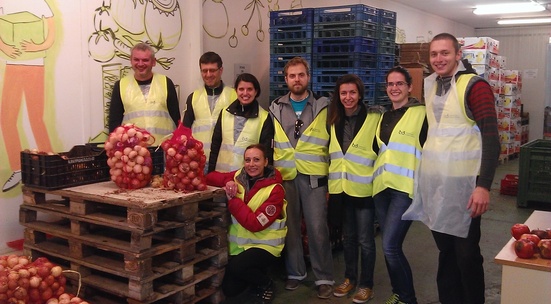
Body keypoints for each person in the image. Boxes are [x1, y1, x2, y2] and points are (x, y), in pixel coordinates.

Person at [402, 33, 500, 304]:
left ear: (458, 54)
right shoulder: (431, 85)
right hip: (437, 184)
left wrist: (483, 186)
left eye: (445, 53)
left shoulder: (474, 86)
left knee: (466, 253)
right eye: (434, 54)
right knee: (445, 251)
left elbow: (491, 138)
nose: (439, 59)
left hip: (465, 186)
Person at [269, 56, 334, 299]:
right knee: (291, 227)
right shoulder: (276, 107)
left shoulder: (323, 106)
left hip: (314, 176)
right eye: (292, 75)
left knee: (317, 228)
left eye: (301, 75)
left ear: (308, 77)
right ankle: (295, 273)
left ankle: (324, 277)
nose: (297, 79)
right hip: (286, 176)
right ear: (285, 79)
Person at [372, 66, 427, 304]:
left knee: (390, 246)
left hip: (405, 190)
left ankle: (407, 298)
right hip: (382, 189)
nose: (394, 88)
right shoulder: (383, 116)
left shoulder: (422, 114)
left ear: (409, 87)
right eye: (390, 84)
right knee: (390, 247)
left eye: (399, 84)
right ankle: (399, 293)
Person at [205, 144, 287, 303]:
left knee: (237, 268)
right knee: (230, 289)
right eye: (247, 160)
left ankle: (266, 283)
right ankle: (254, 275)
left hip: (266, 247)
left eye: (257, 160)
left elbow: (254, 224)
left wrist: (233, 201)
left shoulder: (275, 189)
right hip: (242, 246)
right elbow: (210, 177)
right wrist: (228, 180)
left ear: (266, 162)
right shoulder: (238, 177)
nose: (251, 164)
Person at [327, 74, 381, 303]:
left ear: (360, 94)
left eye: (352, 92)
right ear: (338, 96)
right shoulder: (333, 119)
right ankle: (350, 278)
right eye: (343, 93)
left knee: (366, 240)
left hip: (364, 190)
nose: (348, 97)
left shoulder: (373, 117)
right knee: (348, 238)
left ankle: (366, 284)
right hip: (341, 189)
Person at [0, 0, 56, 192]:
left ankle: (50, 165)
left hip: (35, 65)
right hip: (12, 65)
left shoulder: (39, 3)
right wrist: (4, 46)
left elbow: (51, 34)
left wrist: (38, 47)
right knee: (6, 118)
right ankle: (17, 168)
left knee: (36, 117)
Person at [108, 42, 180, 143]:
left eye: (145, 60)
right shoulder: (120, 86)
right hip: (133, 152)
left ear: (154, 62)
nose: (140, 64)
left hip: (163, 150)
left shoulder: (166, 83)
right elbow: (114, 124)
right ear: (131, 61)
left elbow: (177, 119)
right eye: (136, 59)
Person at [208, 73, 273, 173]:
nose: (245, 93)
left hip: (247, 179)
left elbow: (266, 153)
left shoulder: (264, 117)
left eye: (250, 89)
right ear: (236, 91)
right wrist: (210, 173)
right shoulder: (225, 113)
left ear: (256, 92)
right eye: (241, 89)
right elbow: (215, 146)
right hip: (221, 176)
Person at [182, 51, 237, 163]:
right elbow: (185, 131)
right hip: (197, 160)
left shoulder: (234, 96)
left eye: (212, 70)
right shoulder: (193, 98)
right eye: (204, 71)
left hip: (224, 160)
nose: (208, 75)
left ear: (220, 70)